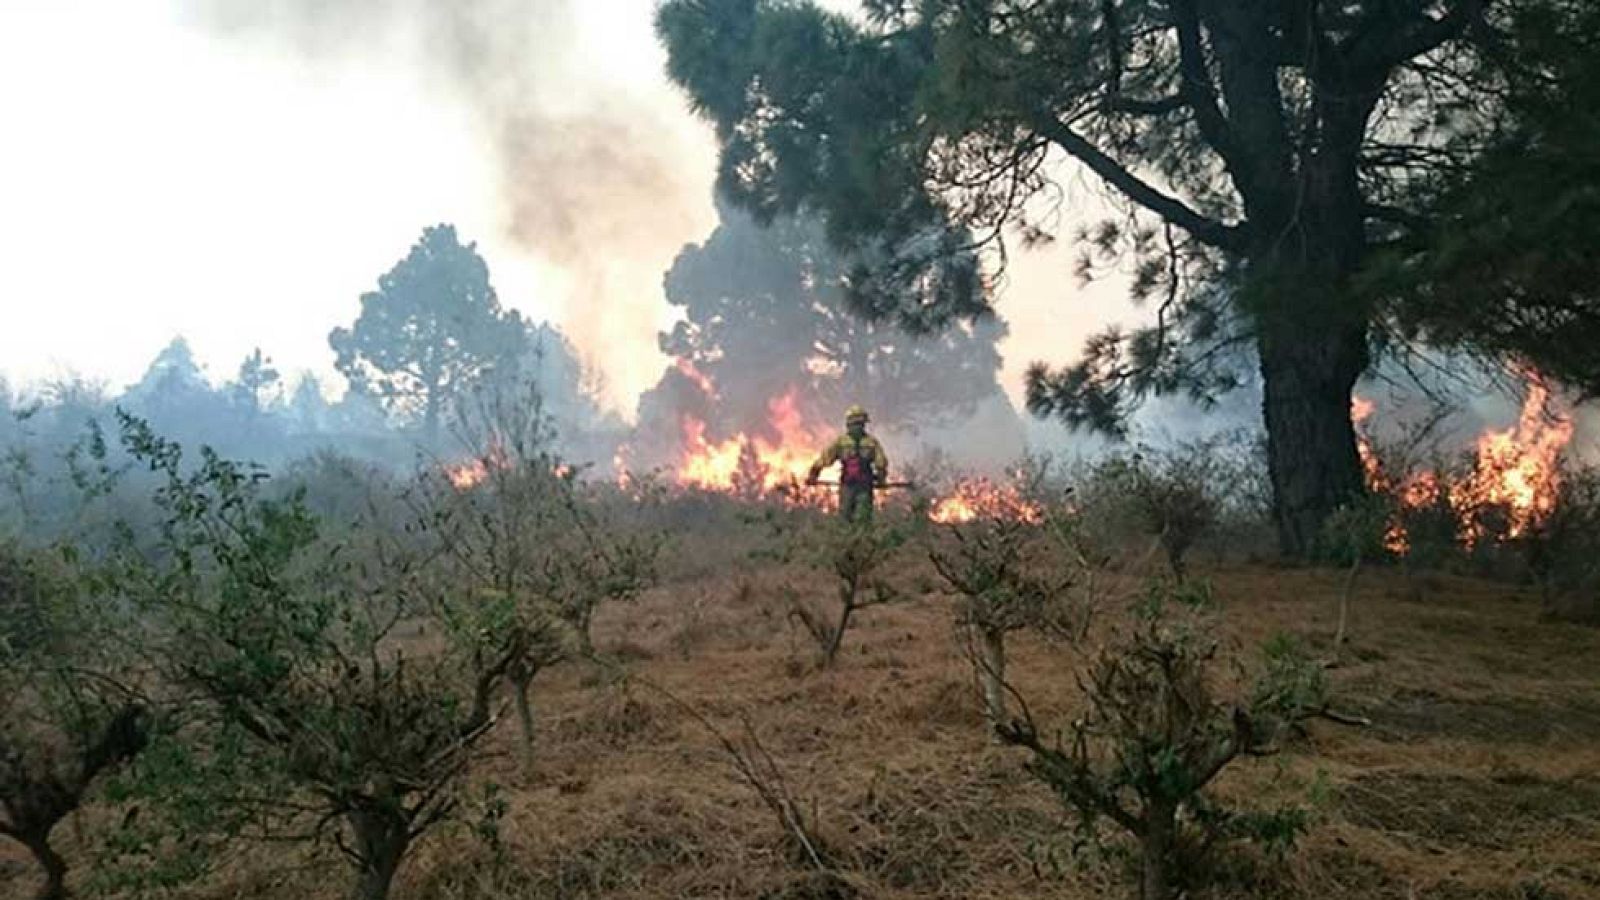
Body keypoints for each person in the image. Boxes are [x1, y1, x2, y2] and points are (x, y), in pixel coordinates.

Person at [806, 405, 890, 523]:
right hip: (863, 486)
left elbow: (825, 459)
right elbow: (881, 464)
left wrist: (813, 475)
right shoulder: (871, 442)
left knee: (846, 517)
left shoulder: (841, 441)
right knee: (862, 519)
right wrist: (881, 480)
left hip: (849, 486)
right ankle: (859, 539)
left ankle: (846, 539)